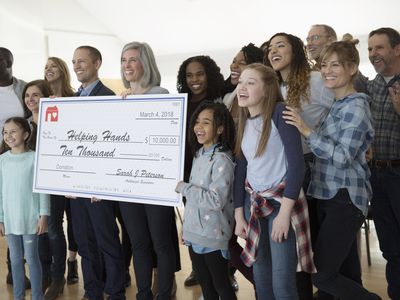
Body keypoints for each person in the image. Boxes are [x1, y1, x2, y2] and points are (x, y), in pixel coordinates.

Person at [283, 40, 380, 300]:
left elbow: (342, 157)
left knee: (322, 275)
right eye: (324, 64)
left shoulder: (356, 106)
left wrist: (306, 130)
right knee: (346, 274)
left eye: (335, 64)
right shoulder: (337, 105)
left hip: (344, 197)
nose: (327, 70)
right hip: (327, 194)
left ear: (352, 68)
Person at [234, 63, 312, 300]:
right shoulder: (243, 119)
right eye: (241, 82)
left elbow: (298, 166)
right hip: (255, 205)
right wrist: (239, 215)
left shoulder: (280, 112)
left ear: (267, 89)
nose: (242, 87)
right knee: (261, 277)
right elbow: (241, 170)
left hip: (281, 205)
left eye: (251, 82)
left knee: (282, 282)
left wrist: (284, 214)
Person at [265, 32, 334, 300]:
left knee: (316, 244)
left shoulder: (316, 81)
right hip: (285, 171)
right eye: (270, 48)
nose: (274, 51)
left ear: (295, 50)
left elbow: (341, 106)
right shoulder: (273, 88)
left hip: (314, 168)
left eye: (280, 45)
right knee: (296, 247)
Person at [119, 41, 177, 300]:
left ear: (146, 63)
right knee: (138, 243)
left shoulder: (160, 93)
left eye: (133, 59)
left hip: (155, 185)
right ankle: (143, 294)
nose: (127, 65)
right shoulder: (119, 98)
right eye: (124, 60)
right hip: (128, 185)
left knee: (161, 244)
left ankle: (163, 294)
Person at [70, 45, 125, 300]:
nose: (77, 65)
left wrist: (103, 183)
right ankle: (92, 290)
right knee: (84, 242)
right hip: (77, 187)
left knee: (107, 242)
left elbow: (114, 144)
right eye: (74, 62)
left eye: (82, 61)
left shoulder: (110, 96)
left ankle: (114, 292)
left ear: (97, 63)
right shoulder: (72, 100)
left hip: (101, 189)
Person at [175, 101, 236, 300]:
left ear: (220, 128)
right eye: (197, 122)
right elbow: (193, 201)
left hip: (213, 237)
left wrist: (184, 187)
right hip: (195, 235)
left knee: (222, 288)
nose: (198, 127)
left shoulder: (222, 160)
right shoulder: (199, 154)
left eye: (206, 123)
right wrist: (186, 228)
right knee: (207, 288)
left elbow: (215, 200)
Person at [176, 55, 225, 287]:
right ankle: (199, 269)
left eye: (200, 73)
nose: (194, 79)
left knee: (216, 217)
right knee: (194, 213)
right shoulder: (180, 101)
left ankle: (223, 272)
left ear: (209, 75)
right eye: (189, 75)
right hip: (186, 166)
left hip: (213, 166)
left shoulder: (219, 101)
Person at [0, 117, 50, 300]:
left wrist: (44, 215)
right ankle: (18, 296)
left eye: (13, 131)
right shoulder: (2, 161)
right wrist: (1, 218)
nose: (8, 135)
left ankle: (38, 296)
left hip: (30, 219)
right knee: (15, 260)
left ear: (26, 134)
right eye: (5, 132)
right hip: (11, 221)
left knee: (31, 258)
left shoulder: (35, 158)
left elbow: (43, 190)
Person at [367, 27, 400, 300]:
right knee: (390, 247)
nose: (373, 54)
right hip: (376, 175)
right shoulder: (373, 85)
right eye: (369, 49)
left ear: (397, 49)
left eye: (379, 48)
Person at [43, 57, 79, 300]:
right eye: (45, 67)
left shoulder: (75, 98)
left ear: (63, 71)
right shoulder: (41, 98)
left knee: (75, 222)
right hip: (51, 173)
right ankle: (57, 275)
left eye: (53, 66)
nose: (48, 70)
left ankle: (72, 260)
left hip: (74, 170)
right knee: (55, 225)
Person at [223, 43, 264, 124]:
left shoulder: (261, 101)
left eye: (242, 63)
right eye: (234, 61)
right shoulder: (227, 98)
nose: (234, 65)